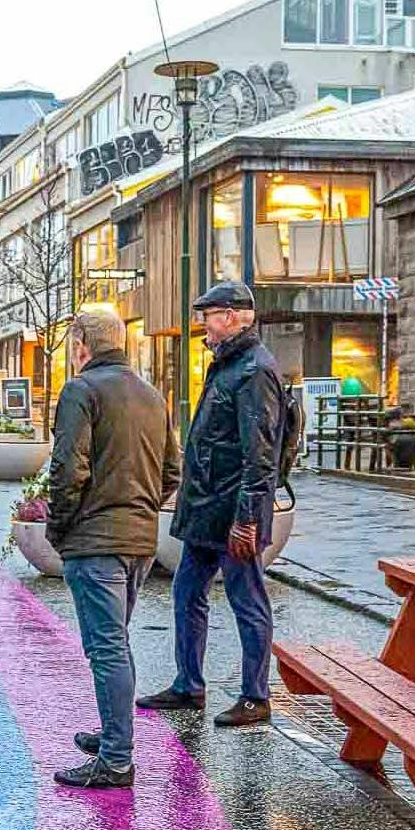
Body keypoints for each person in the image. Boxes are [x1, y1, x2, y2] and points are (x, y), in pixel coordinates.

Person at [138, 281, 286, 728]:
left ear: (235, 317)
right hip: (208, 507)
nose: (204, 325)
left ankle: (256, 696)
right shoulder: (228, 365)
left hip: (232, 512)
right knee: (186, 591)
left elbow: (260, 455)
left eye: (210, 315)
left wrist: (245, 521)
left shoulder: (254, 371)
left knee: (247, 598)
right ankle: (188, 684)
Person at [46, 308, 180, 789]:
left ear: (81, 343)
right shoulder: (150, 395)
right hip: (138, 539)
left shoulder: (81, 391)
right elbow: (171, 473)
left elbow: (67, 471)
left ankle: (118, 758)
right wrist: (138, 508)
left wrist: (59, 527)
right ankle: (113, 734)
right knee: (113, 642)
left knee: (107, 648)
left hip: (95, 538)